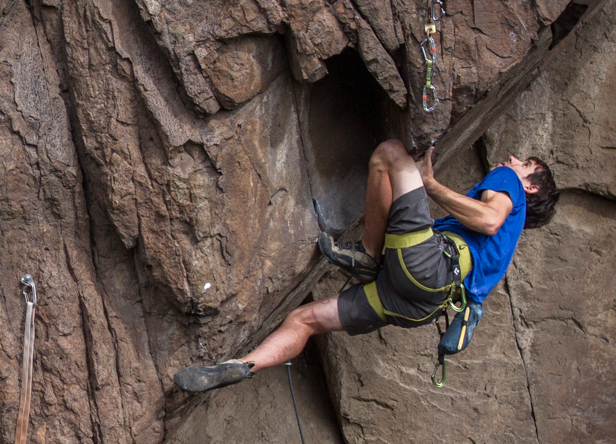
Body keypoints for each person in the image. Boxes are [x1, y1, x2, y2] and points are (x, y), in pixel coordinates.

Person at [174, 140, 560, 392]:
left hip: (429, 267)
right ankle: (242, 366)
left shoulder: (508, 187)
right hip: (419, 304)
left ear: (531, 187)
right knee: (304, 320)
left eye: (523, 164)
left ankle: (367, 255)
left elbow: (490, 219)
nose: (512, 161)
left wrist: (430, 184)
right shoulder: (501, 254)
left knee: (390, 154)